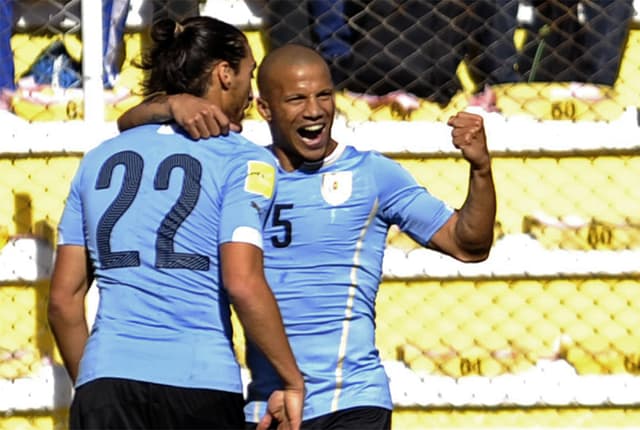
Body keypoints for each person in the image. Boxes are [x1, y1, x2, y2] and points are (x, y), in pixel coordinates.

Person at [118, 43, 496, 429]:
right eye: (297, 99)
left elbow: (469, 244)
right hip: (267, 408)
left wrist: (480, 168)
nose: (314, 111)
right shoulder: (238, 171)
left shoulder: (372, 175)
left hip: (351, 401)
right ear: (265, 109)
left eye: (324, 95)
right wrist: (172, 105)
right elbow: (128, 126)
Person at [48, 17, 304, 430]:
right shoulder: (244, 159)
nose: (250, 91)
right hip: (198, 383)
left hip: (106, 383)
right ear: (224, 73)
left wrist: (96, 385)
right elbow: (242, 282)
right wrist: (292, 381)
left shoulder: (97, 159)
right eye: (248, 74)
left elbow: (63, 301)